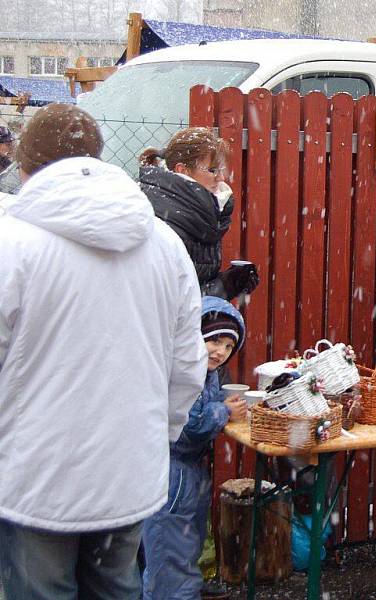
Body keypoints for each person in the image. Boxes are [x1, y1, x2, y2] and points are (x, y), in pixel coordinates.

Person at [0, 104, 208, 599]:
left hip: (34, 475)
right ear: (97, 155)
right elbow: (187, 364)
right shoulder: (163, 243)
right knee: (116, 588)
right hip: (128, 470)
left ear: (26, 167)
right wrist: (157, 435)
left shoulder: (12, 244)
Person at [142, 296, 247, 599]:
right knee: (171, 562)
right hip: (171, 475)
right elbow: (187, 426)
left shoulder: (205, 371)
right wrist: (224, 412)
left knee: (181, 550)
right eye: (214, 341)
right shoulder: (180, 371)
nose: (221, 352)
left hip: (187, 475)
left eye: (229, 347)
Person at [139, 128, 259, 300]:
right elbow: (167, 302)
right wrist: (223, 287)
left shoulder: (198, 211)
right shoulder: (163, 218)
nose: (220, 178)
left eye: (220, 169)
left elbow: (191, 284)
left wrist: (230, 282)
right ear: (182, 170)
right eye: (212, 170)